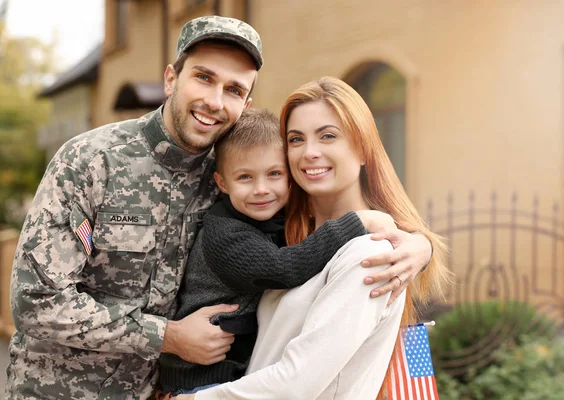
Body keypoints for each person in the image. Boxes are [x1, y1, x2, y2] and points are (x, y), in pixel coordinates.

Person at [5, 16, 433, 400]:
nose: (214, 100)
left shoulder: (244, 175)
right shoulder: (92, 161)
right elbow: (35, 301)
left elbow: (329, 211)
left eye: (233, 89)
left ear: (245, 105)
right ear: (172, 78)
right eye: (204, 78)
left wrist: (420, 244)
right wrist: (167, 337)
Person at [176, 77, 452, 400]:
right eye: (296, 139)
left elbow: (297, 384)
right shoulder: (290, 236)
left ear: (363, 149)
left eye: (328, 136)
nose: (309, 153)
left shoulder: (371, 254)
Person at [158, 108, 398, 396]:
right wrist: (357, 223)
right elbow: (283, 268)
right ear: (222, 183)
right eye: (245, 177)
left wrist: (420, 243)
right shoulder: (225, 233)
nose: (261, 189)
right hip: (201, 376)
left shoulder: (358, 251)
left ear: (287, 177)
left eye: (273, 174)